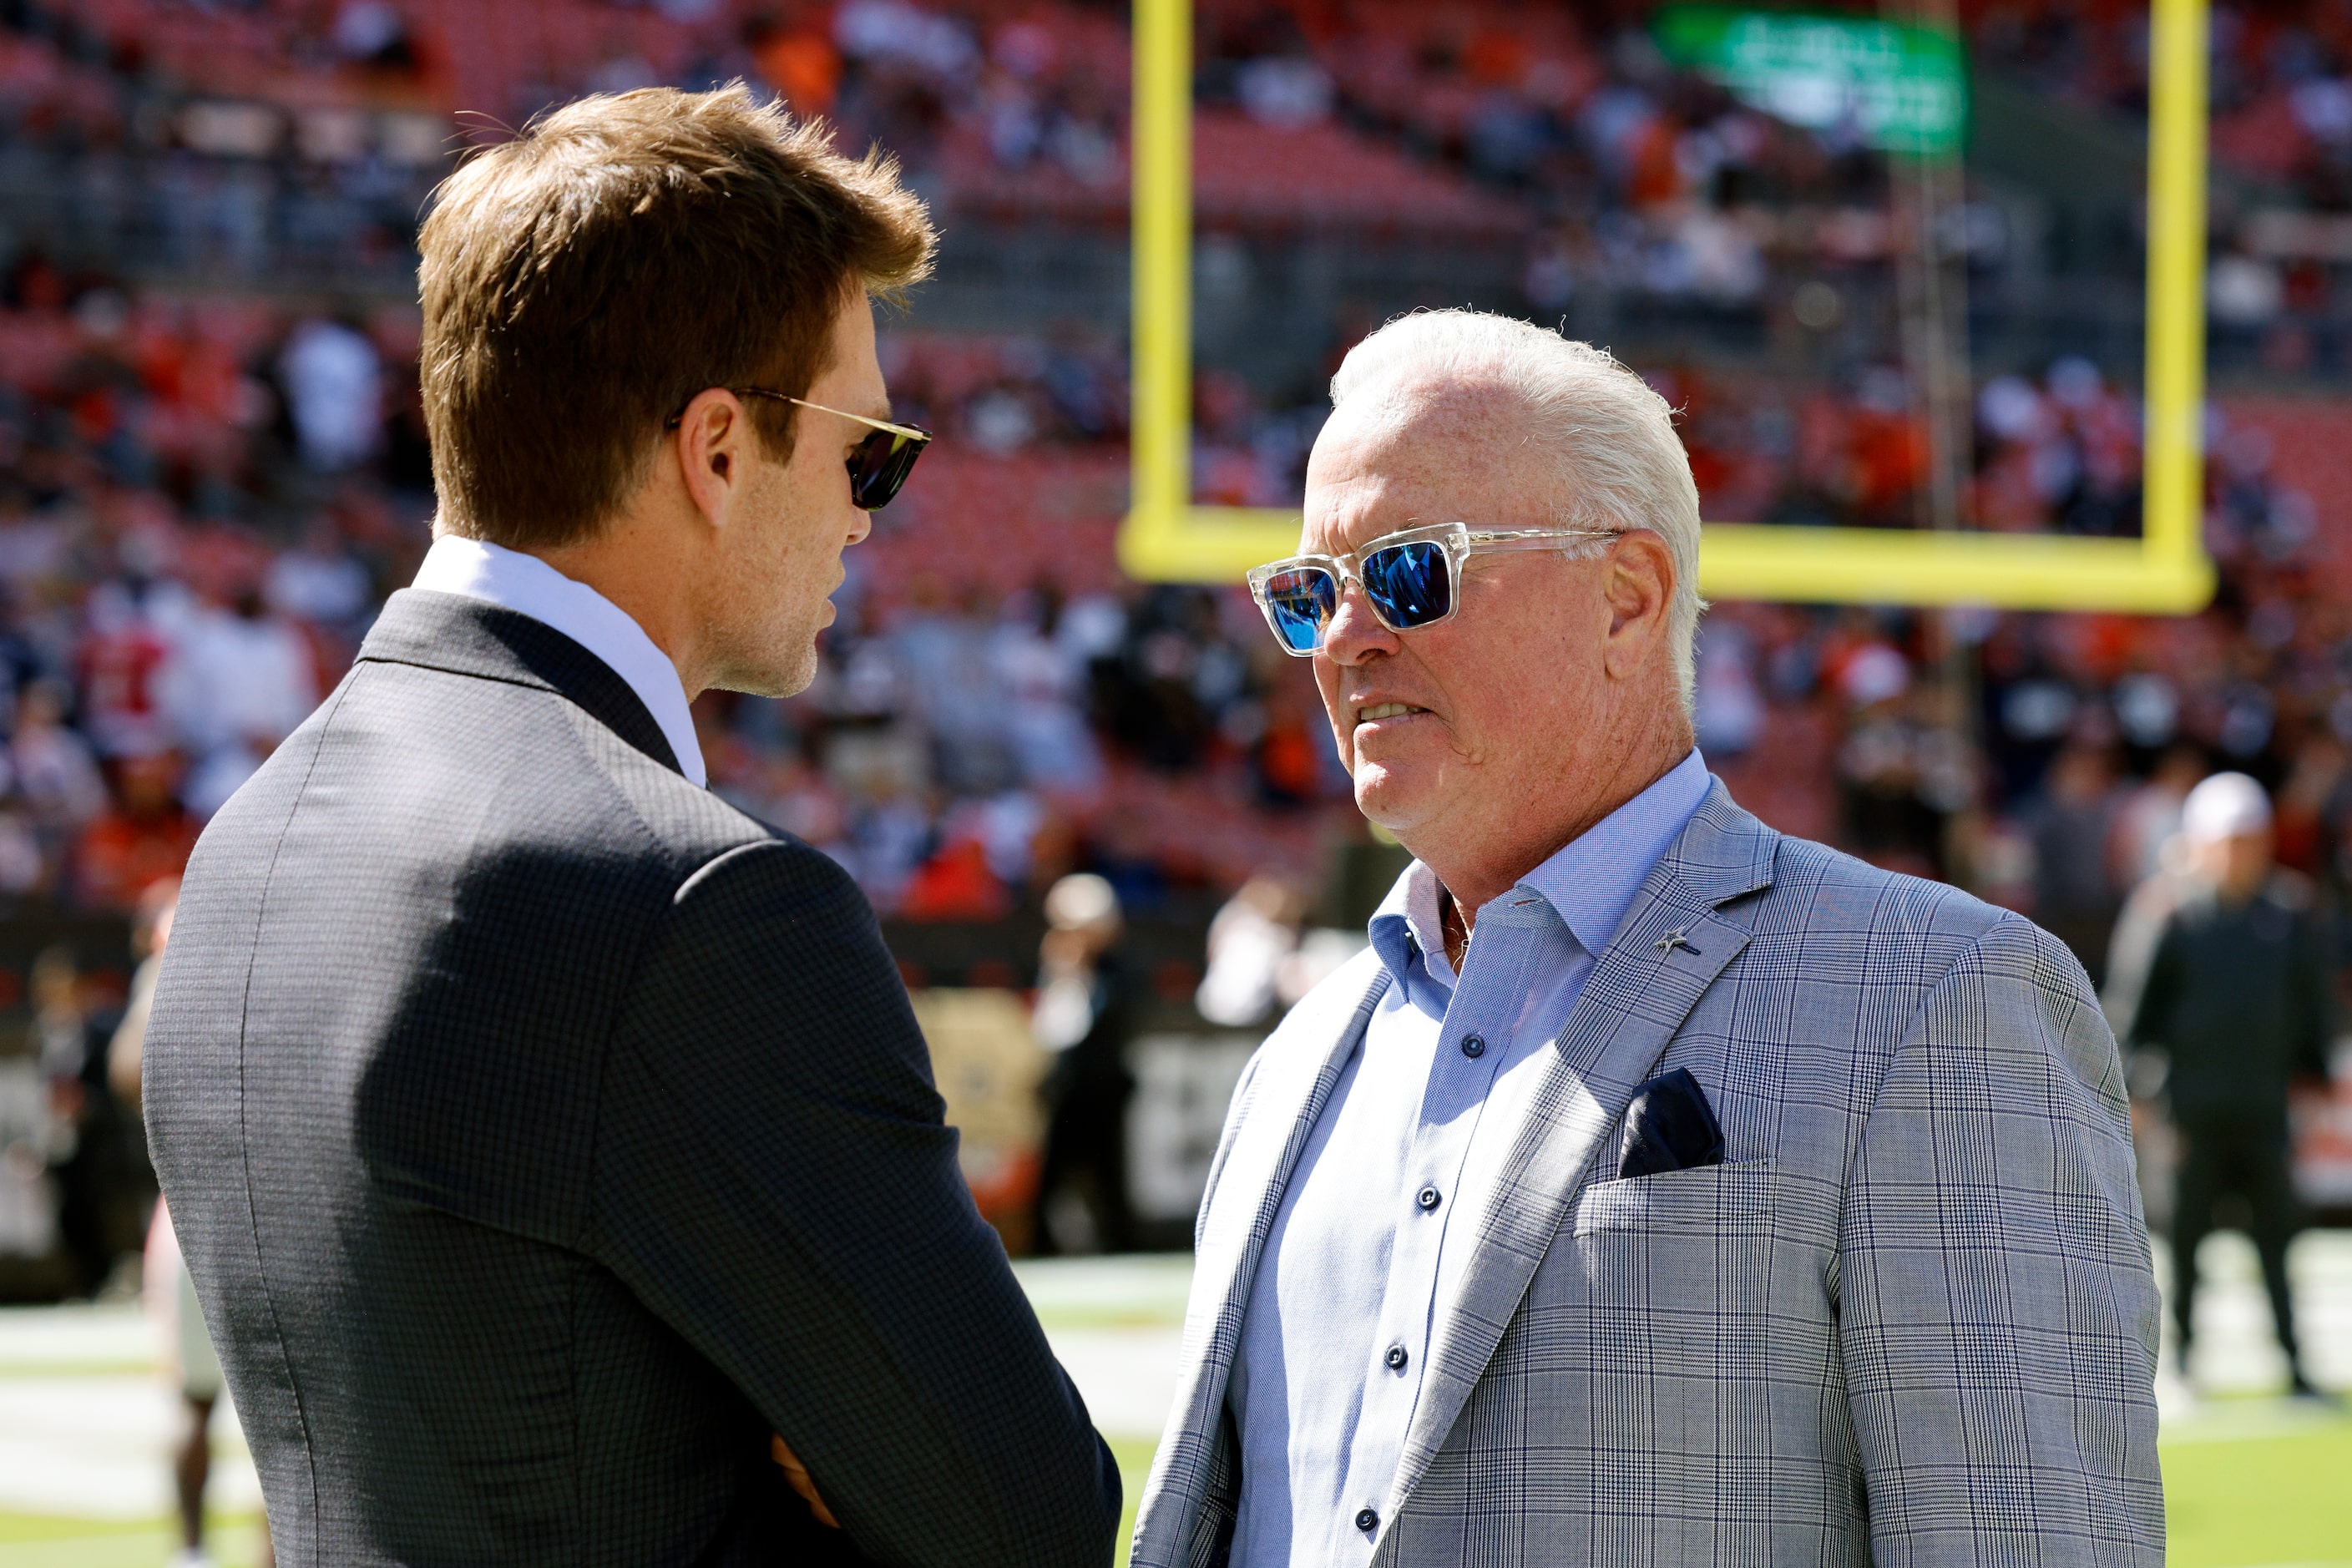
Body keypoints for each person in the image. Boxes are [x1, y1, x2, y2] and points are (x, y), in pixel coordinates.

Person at [143, 87, 1119, 1567]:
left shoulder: (249, 841)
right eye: (868, 450)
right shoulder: (693, 904)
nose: (869, 514)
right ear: (717, 449)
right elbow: (1024, 1517)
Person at [1132, 311, 2162, 1567]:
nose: (1345, 639)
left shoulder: (1935, 997)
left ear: (1627, 597)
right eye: (1307, 595)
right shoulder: (1297, 1059)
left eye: (1408, 570)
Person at [2122, 771, 2334, 1398]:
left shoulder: (2288, 914)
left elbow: (2309, 1008)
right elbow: (2135, 1014)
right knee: (2186, 1247)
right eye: (2231, 839)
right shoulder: (2169, 914)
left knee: (2278, 1242)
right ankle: (2185, 1365)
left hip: (2263, 1108)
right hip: (2190, 1112)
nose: (2243, 851)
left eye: (2252, 838)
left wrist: (2314, 1080)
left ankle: (2295, 1367)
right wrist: (2136, 1096)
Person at [1030, 872, 1138, 1253]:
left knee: (1109, 1177)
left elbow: (1093, 1024)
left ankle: (1120, 1246)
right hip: (1067, 1088)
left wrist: (1081, 973)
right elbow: (1051, 1029)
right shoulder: (1058, 969)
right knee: (1052, 1176)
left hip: (1104, 1087)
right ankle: (1042, 1247)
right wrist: (1067, 973)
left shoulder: (1116, 971)